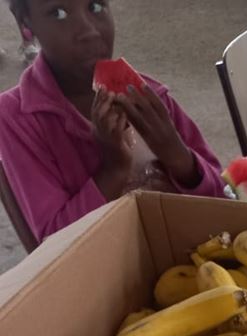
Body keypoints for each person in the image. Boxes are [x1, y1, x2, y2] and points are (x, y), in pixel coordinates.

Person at [0, 0, 225, 245]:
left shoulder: (149, 95)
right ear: (26, 24)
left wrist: (178, 156)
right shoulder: (16, 118)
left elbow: (225, 199)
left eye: (96, 7)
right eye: (59, 13)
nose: (88, 31)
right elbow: (55, 246)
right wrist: (114, 168)